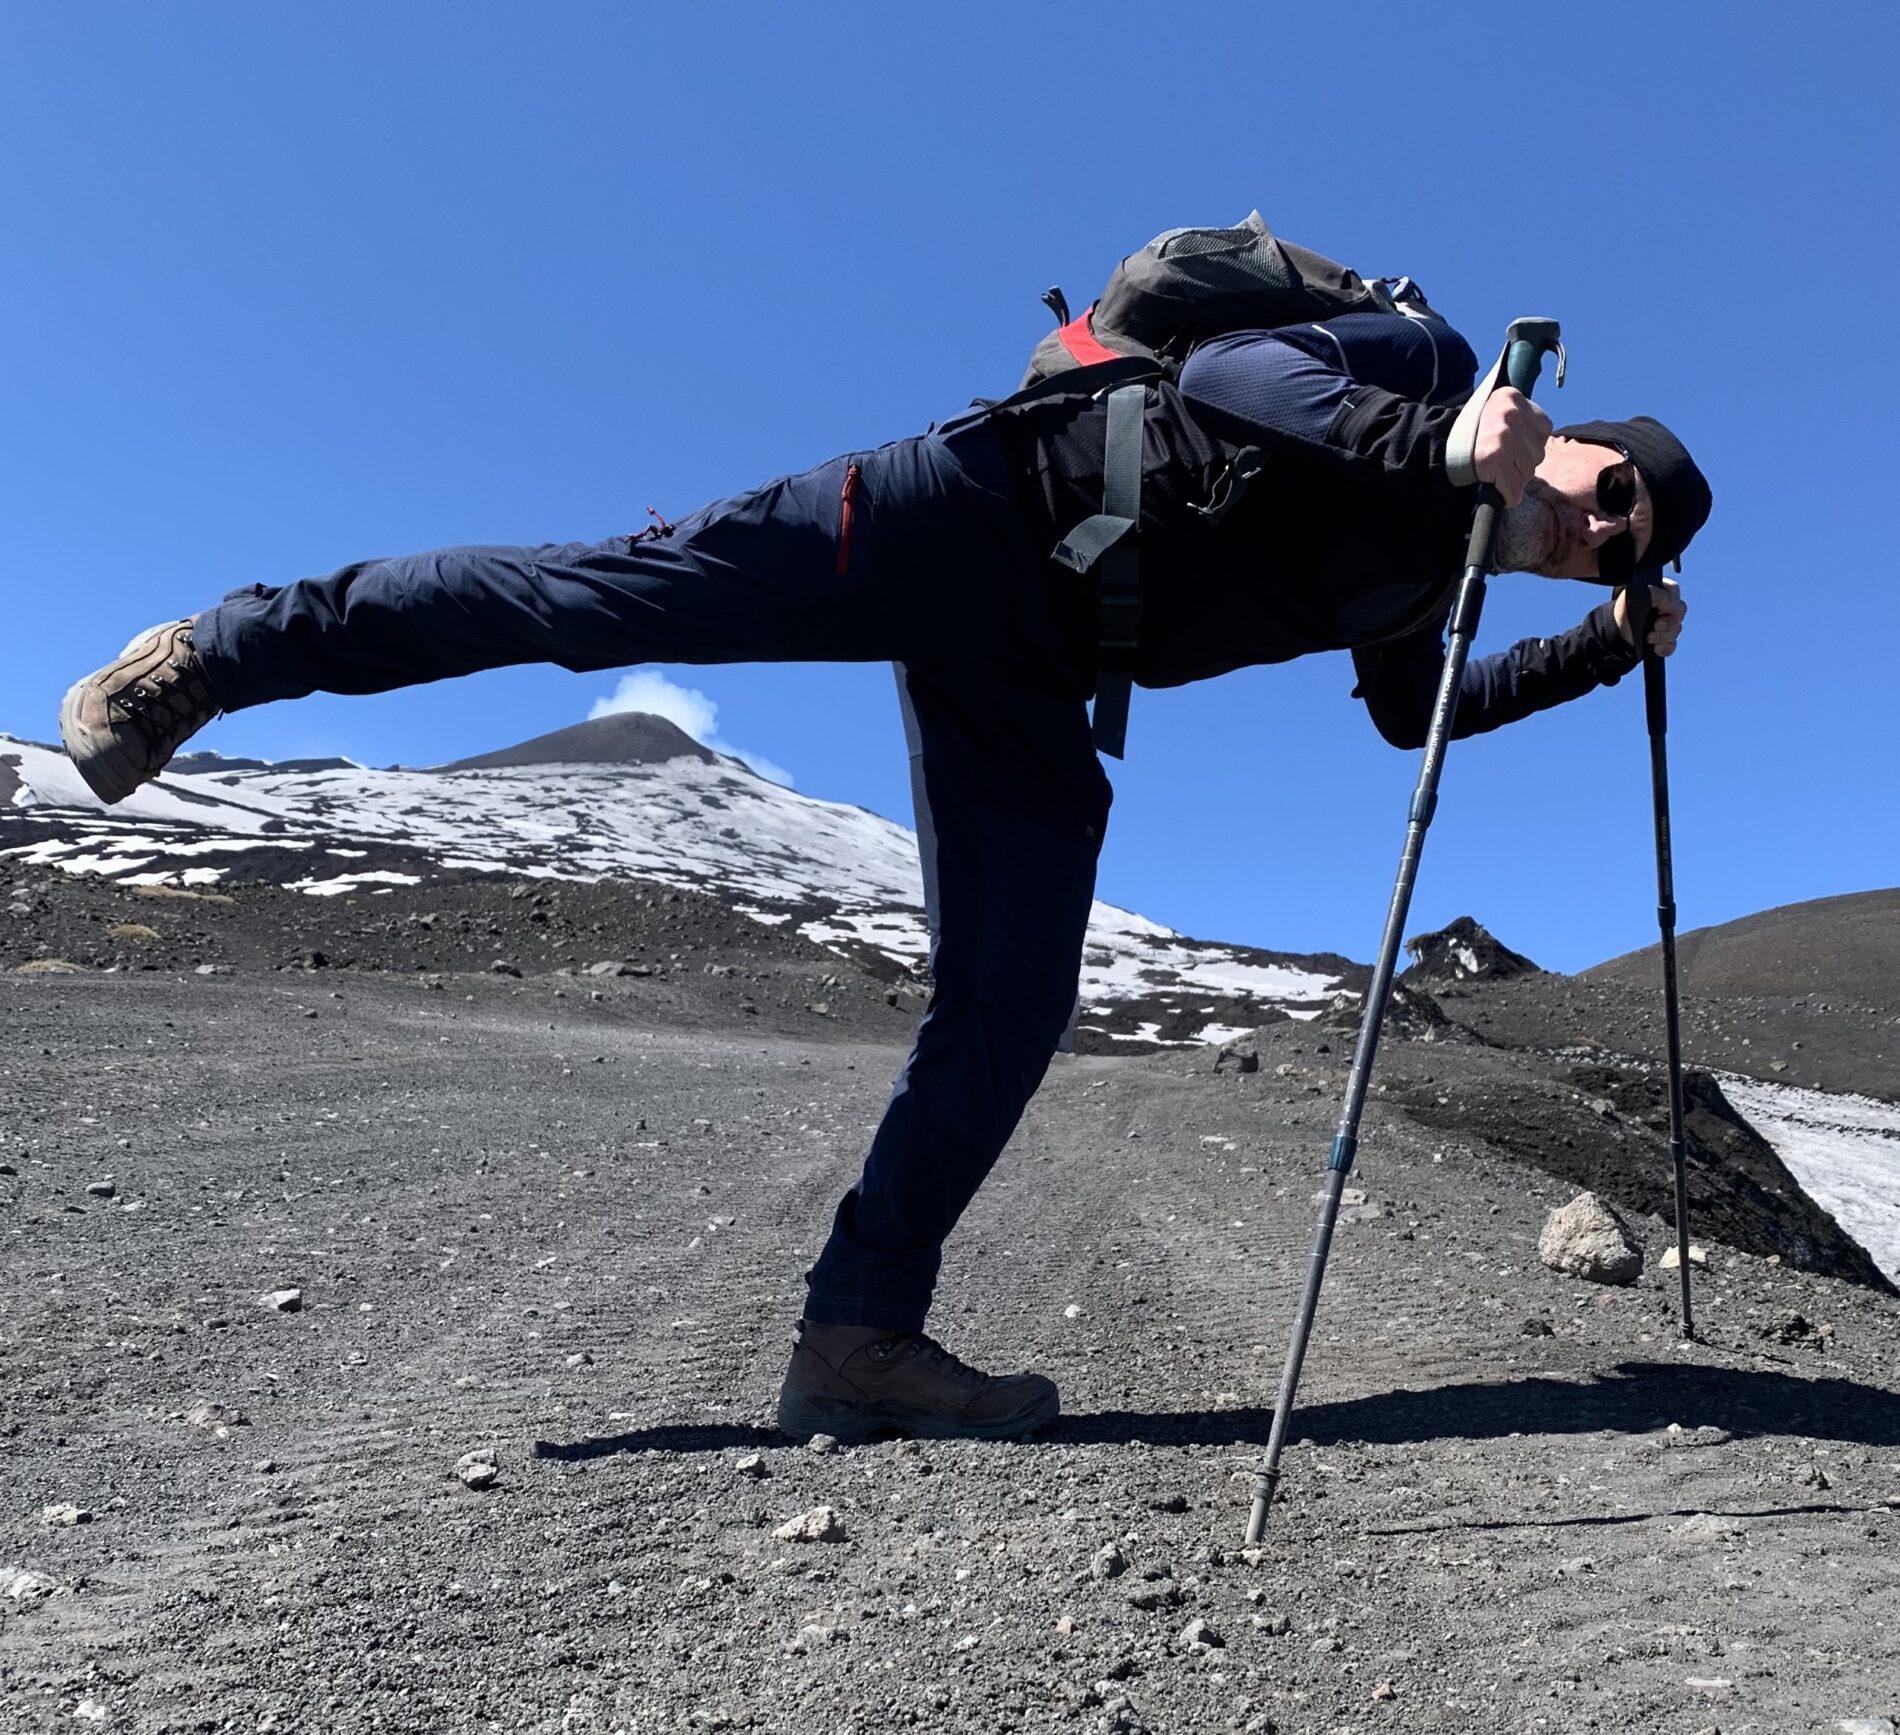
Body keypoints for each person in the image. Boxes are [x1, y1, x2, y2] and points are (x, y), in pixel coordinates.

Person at [60, 302, 1711, 1444]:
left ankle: (854, 1341)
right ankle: (217, 653)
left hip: (1038, 662)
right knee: (600, 600)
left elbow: (1415, 717)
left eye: (1634, 547)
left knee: (1012, 1000)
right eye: (1612, 494)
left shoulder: (1440, 578)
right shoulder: (1422, 366)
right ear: (1582, 435)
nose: (1606, 529)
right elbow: (1228, 382)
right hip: (958, 513)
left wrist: (1594, 650)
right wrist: (1437, 437)